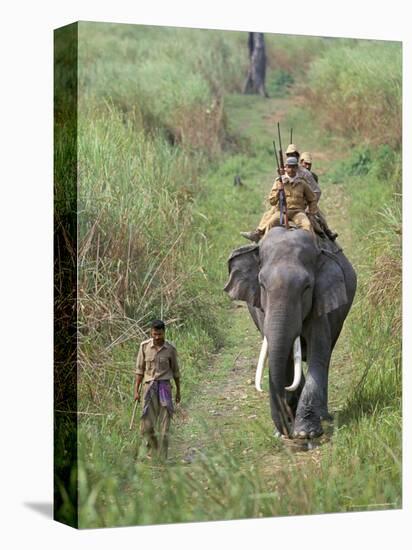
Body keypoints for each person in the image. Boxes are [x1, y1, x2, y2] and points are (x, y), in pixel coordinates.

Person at [134, 319, 181, 461]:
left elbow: (176, 372)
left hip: (165, 387)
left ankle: (162, 459)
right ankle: (153, 449)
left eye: (160, 334)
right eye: (154, 334)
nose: (157, 337)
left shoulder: (170, 349)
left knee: (165, 425)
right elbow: (139, 371)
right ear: (151, 332)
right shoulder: (144, 347)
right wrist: (136, 391)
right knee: (146, 426)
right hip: (149, 388)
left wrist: (178, 391)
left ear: (164, 333)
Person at [241, 157, 318, 242]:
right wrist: (279, 190)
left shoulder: (302, 183)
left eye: (293, 167)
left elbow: (312, 199)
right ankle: (262, 244)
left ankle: (313, 247)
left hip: (298, 212)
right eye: (289, 167)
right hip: (281, 212)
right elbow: (272, 201)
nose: (291, 169)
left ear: (296, 168)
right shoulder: (279, 182)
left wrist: (311, 213)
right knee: (270, 223)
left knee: (307, 225)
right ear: (285, 168)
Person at [300, 151, 338, 241]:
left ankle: (328, 232)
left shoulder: (313, 176)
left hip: (307, 204)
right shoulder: (293, 173)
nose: (308, 166)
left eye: (309, 164)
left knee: (320, 216)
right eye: (305, 163)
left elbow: (315, 193)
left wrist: (311, 206)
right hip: (292, 203)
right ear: (301, 162)